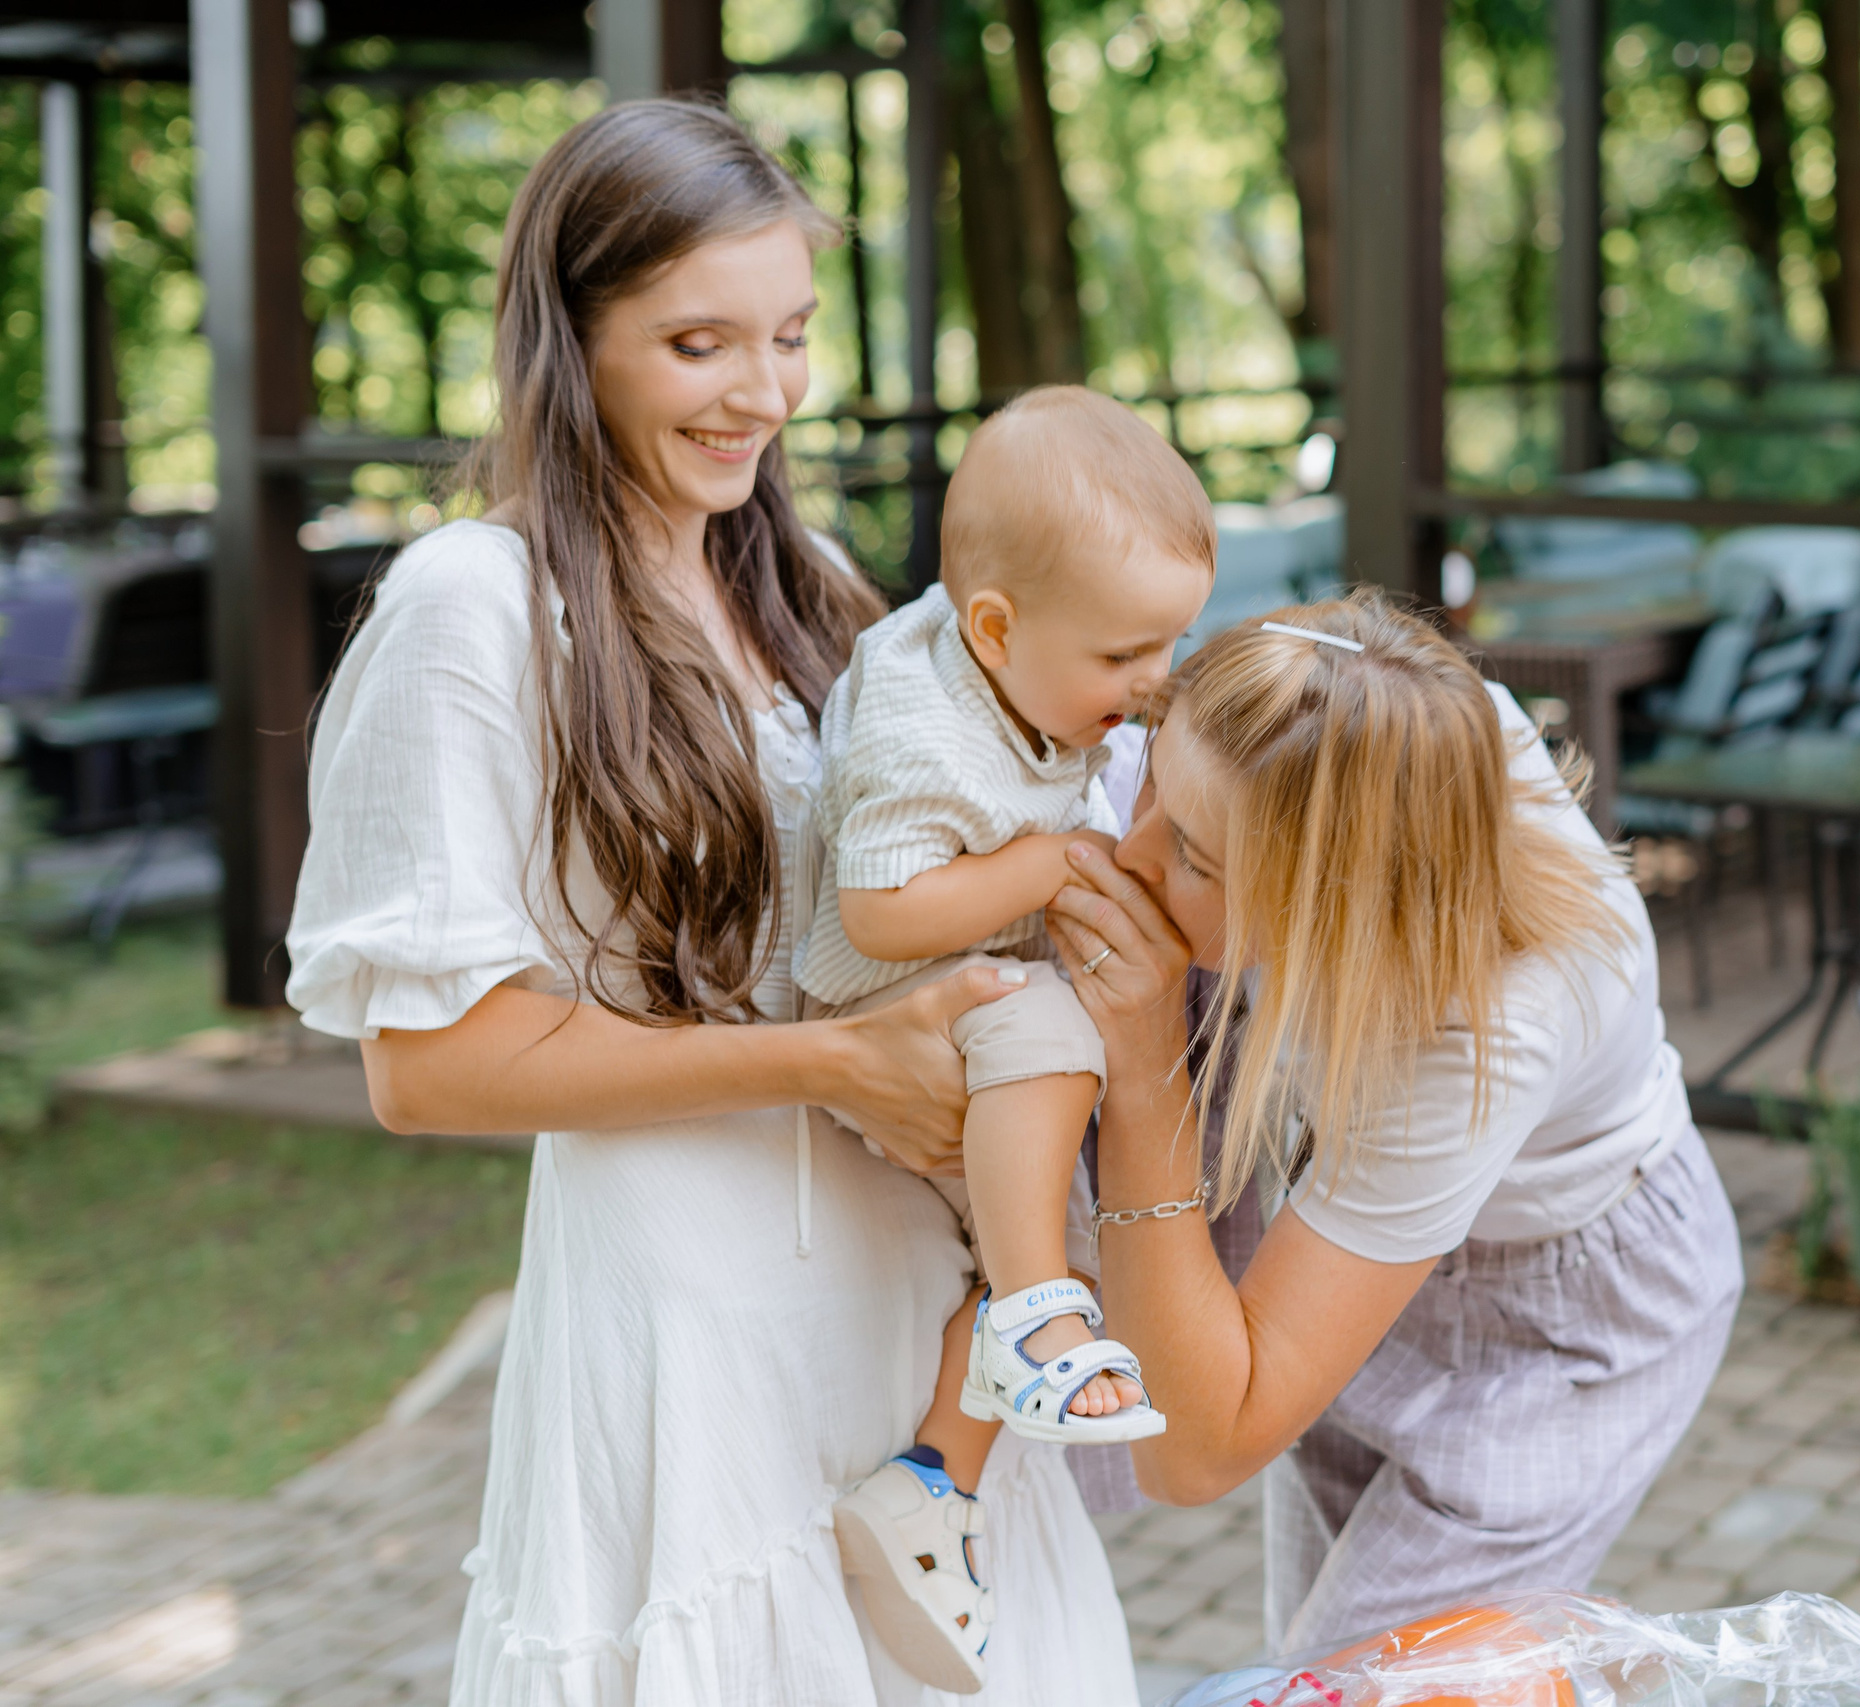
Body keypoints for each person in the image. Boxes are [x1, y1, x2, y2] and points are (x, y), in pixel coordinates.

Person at [283, 99, 1138, 1706]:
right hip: (690, 1302)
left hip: (912, 1276)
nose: (762, 391)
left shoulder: (803, 576)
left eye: (791, 336)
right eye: (698, 343)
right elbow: (427, 1064)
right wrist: (824, 1062)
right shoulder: (475, 604)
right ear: (574, 335)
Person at [1043, 593, 1748, 1650]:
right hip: (1380, 1237)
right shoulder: (1382, 731)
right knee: (1329, 1655)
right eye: (1154, 774)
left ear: (1332, 906)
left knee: (1342, 1683)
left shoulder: (1480, 1030)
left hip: (1562, 1323)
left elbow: (1194, 1453)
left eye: (1191, 857)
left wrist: (1149, 1065)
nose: (1130, 858)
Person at [806, 386, 1214, 1688]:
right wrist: (1045, 862)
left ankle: (935, 1477)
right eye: (1124, 656)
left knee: (1064, 1212)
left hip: (967, 976)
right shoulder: (922, 730)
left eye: (1172, 644)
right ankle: (1030, 1317)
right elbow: (877, 907)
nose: (1152, 684)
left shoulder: (1020, 659)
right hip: (883, 990)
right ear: (994, 625)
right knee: (1049, 1038)